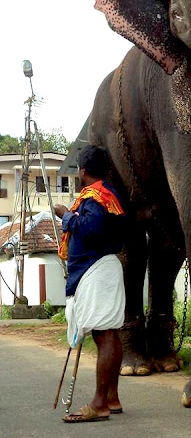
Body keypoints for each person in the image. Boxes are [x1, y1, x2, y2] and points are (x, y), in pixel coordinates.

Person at [55, 145, 126, 423]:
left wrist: (66, 215)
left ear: (82, 171)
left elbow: (91, 228)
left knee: (104, 335)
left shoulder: (95, 197)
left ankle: (99, 404)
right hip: (101, 269)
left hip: (94, 270)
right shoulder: (107, 195)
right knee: (110, 334)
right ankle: (112, 397)